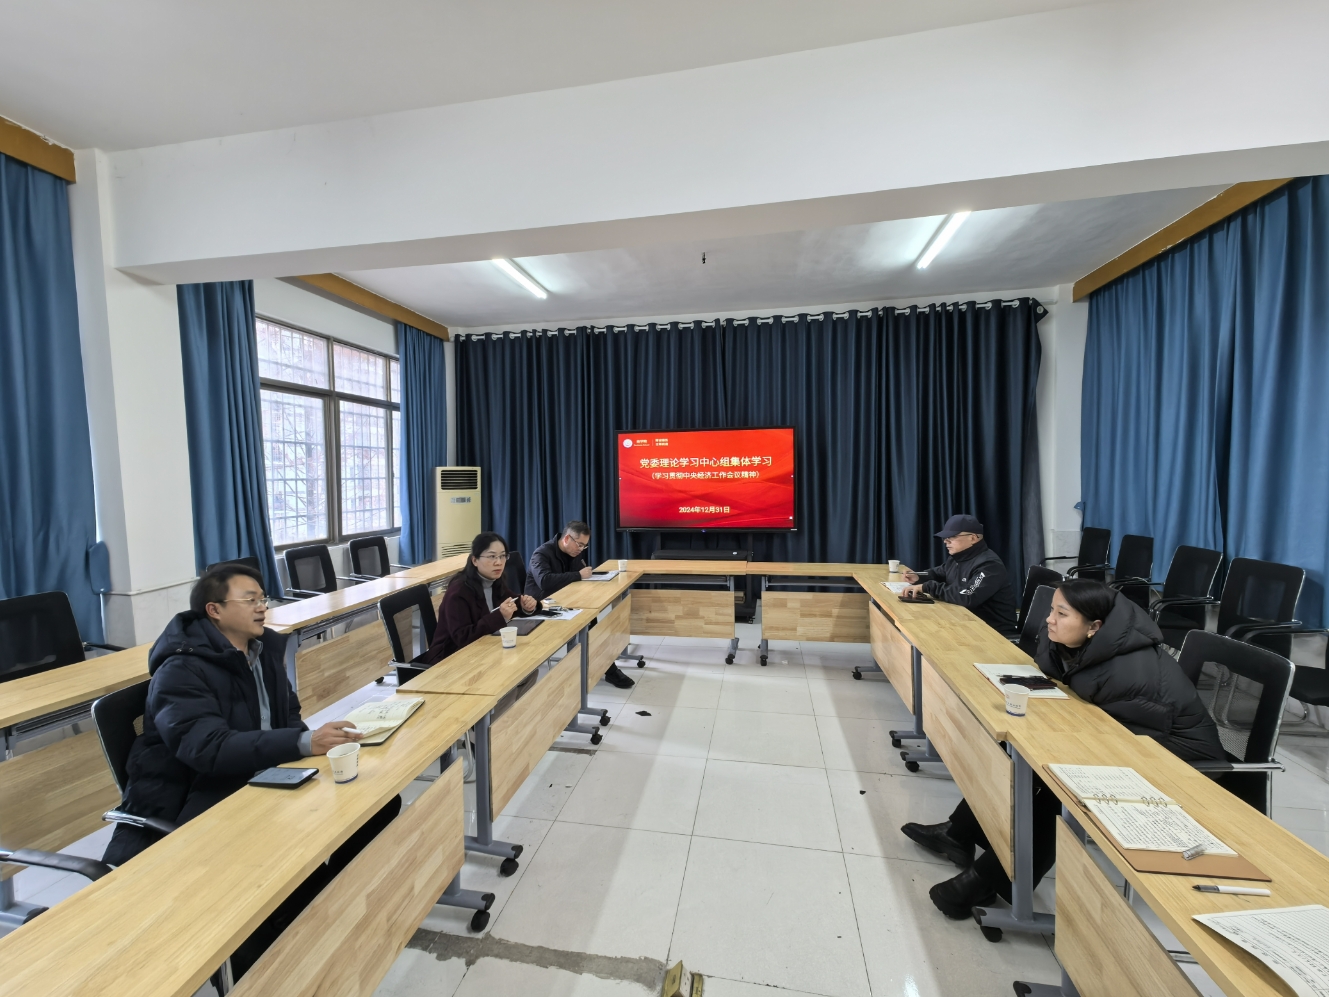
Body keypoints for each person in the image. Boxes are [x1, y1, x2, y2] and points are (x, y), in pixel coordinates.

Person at [102, 563, 399, 976]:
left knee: (378, 805)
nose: (263, 607)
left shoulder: (263, 651)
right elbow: (207, 748)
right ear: (214, 610)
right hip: (197, 798)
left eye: (263, 598)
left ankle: (320, 909)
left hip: (262, 777)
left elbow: (289, 716)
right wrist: (301, 743)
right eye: (250, 600)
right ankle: (267, 947)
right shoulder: (181, 670)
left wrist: (312, 744)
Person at [900, 579, 1225, 920]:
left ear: (1094, 626)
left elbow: (1131, 741)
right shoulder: (1080, 643)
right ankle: (959, 834)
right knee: (1011, 755)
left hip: (1177, 762)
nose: (1049, 620)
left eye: (1061, 614)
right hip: (1123, 737)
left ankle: (987, 881)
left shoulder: (1131, 672)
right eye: (1052, 610)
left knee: (1060, 790)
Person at [526, 520, 635, 689]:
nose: (581, 549)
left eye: (585, 546)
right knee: (590, 623)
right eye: (579, 544)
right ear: (567, 538)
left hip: (566, 601)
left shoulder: (573, 553)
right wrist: (578, 575)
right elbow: (545, 581)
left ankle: (604, 666)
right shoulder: (541, 554)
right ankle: (608, 670)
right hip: (543, 607)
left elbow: (578, 578)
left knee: (593, 622)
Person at [424, 531, 538, 664]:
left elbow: (512, 602)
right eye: (492, 557)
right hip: (450, 658)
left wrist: (526, 606)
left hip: (482, 650)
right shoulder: (458, 592)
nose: (499, 562)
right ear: (475, 560)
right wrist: (500, 616)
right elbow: (462, 638)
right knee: (521, 666)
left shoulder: (495, 580)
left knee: (527, 662)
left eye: (502, 556)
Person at [902, 514, 1017, 634]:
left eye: (952, 537)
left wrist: (927, 587)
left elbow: (968, 596)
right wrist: (918, 576)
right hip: (965, 624)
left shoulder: (989, 565)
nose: (945, 541)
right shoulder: (957, 558)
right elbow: (938, 573)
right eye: (945, 537)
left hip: (993, 632)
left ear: (973, 538)